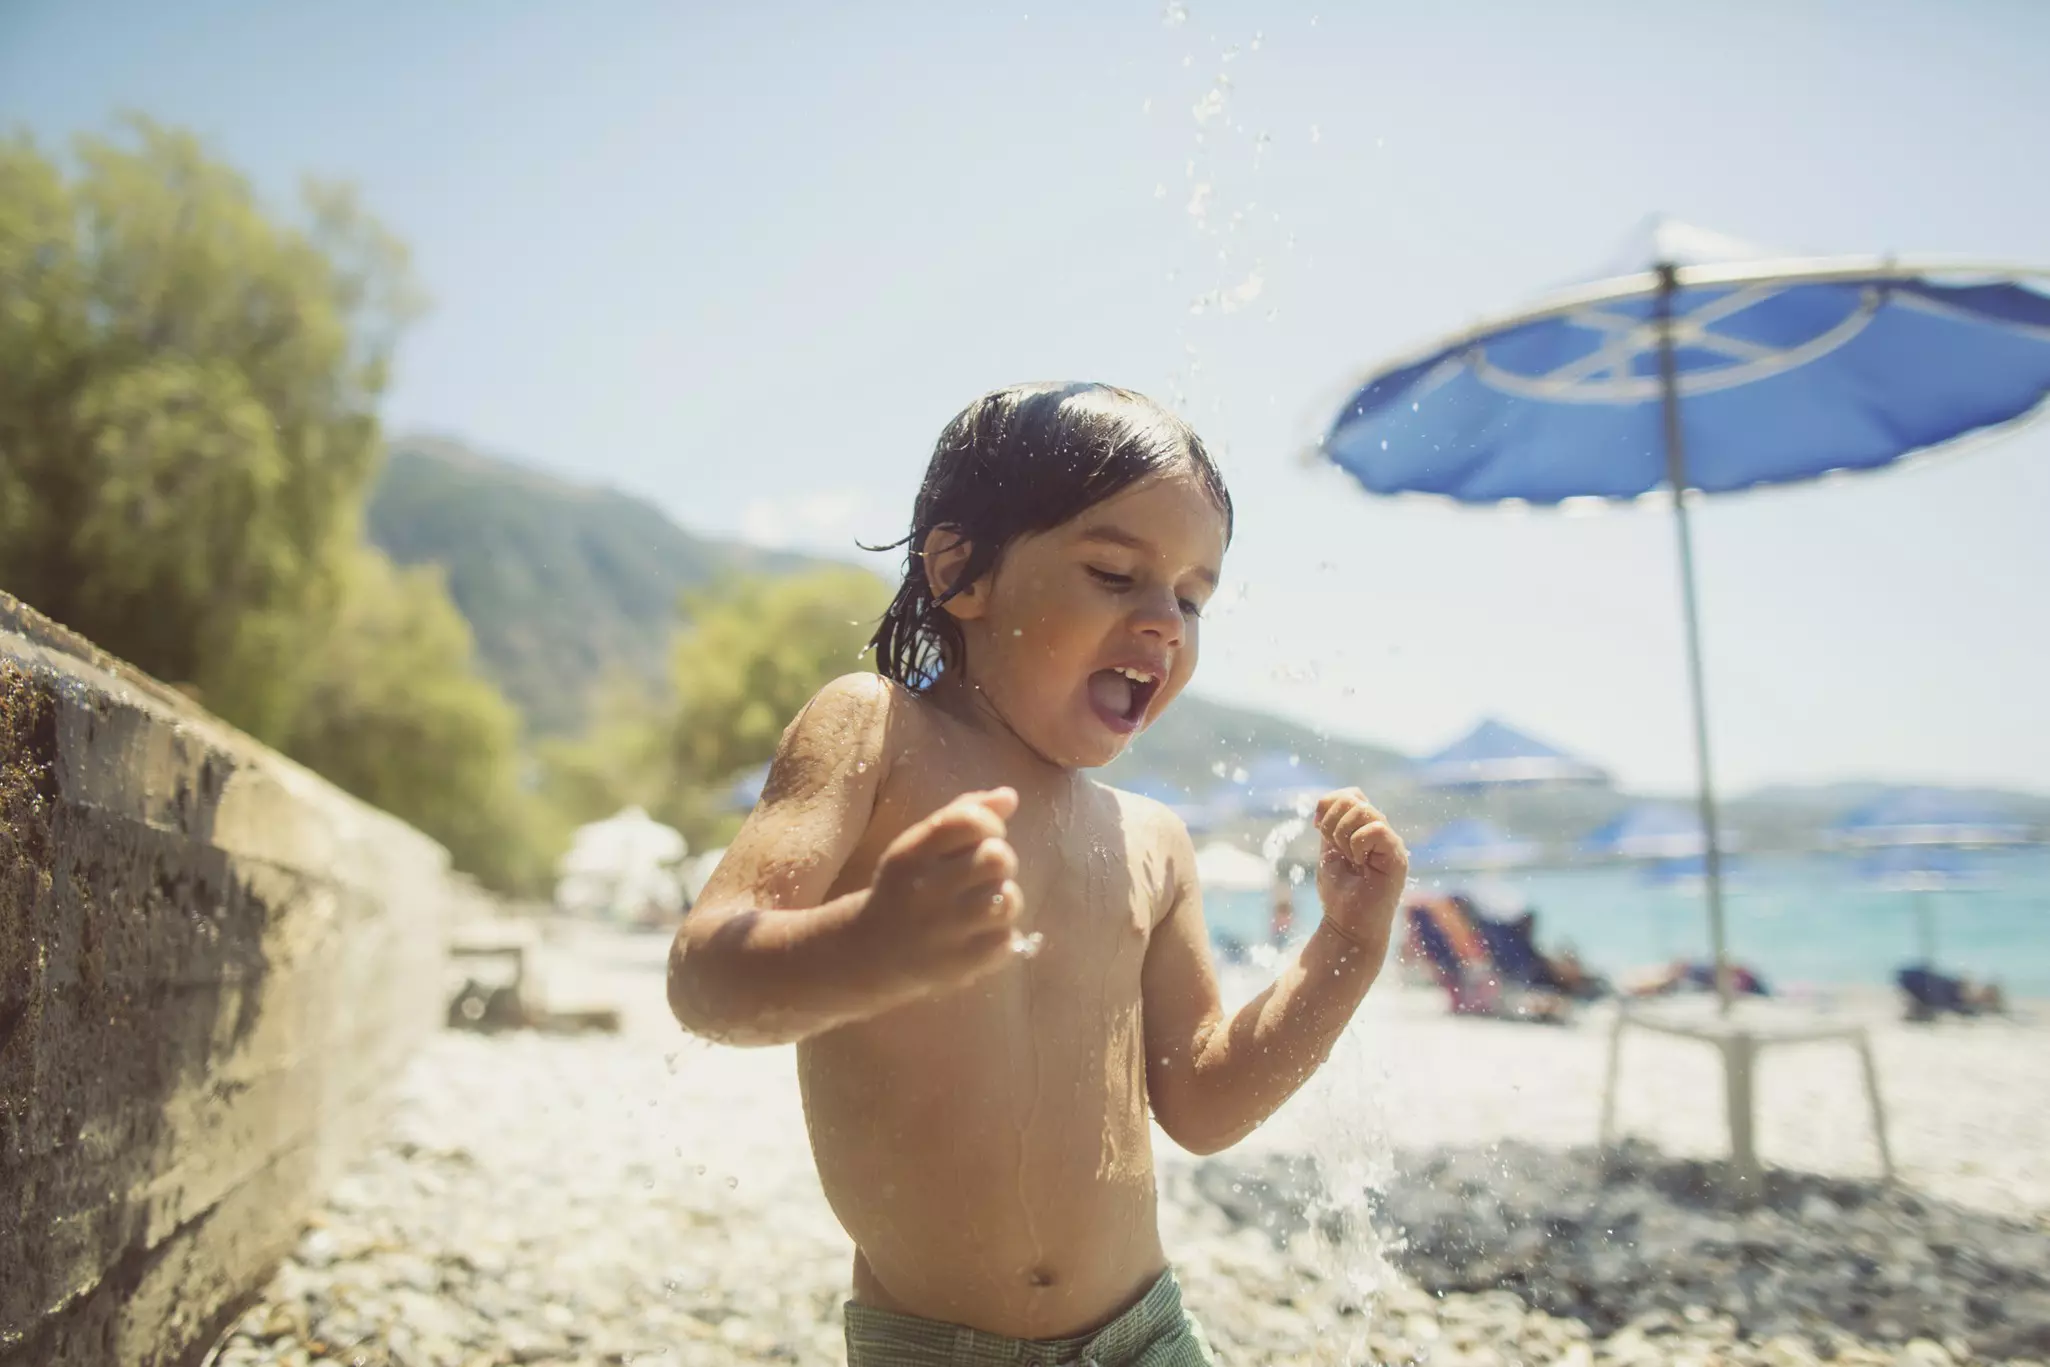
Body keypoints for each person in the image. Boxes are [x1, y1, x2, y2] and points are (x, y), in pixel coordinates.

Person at [667, 383, 1409, 1367]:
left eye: (1191, 597)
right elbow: (706, 977)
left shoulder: (1151, 839)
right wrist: (869, 945)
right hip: (935, 1348)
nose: (1165, 623)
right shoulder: (877, 734)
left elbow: (1207, 1102)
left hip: (1147, 1334)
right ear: (960, 568)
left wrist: (1346, 944)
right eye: (1113, 572)